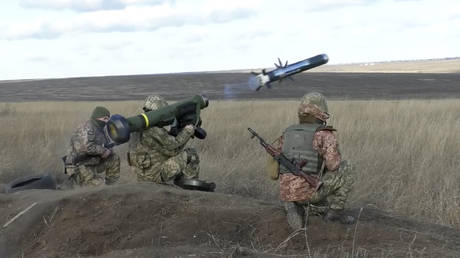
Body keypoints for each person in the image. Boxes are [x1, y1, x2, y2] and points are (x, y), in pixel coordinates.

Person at [267, 92, 355, 228]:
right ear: (319, 111)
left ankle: (293, 205)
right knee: (347, 167)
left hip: (286, 192)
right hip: (308, 192)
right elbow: (333, 166)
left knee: (309, 185)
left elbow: (273, 172)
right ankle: (335, 212)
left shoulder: (287, 132)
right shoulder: (324, 134)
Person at [128, 95, 200, 184]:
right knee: (190, 154)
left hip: (142, 176)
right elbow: (173, 149)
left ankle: (180, 183)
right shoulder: (153, 130)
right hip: (155, 177)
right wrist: (188, 130)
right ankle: (189, 186)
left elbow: (161, 147)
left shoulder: (138, 129)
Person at [63, 106, 120, 187]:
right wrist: (103, 151)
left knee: (114, 158)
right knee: (100, 187)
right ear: (97, 117)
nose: (107, 121)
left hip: (92, 162)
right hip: (79, 166)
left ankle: (112, 186)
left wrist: (108, 150)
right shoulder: (86, 128)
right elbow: (86, 147)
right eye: (105, 118)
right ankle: (77, 183)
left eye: (108, 119)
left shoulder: (100, 129)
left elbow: (105, 144)